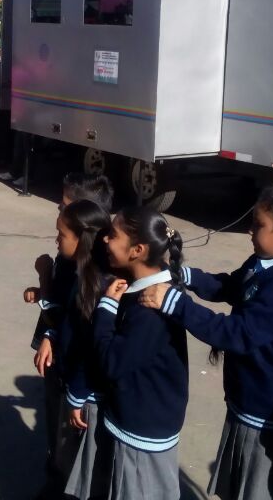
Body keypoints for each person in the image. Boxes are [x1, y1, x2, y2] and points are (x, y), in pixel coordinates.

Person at [142, 181, 273, 499]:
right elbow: (234, 286)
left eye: (258, 224)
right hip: (251, 398)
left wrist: (175, 304)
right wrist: (188, 277)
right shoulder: (271, 259)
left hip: (268, 415)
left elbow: (238, 334)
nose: (250, 230)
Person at [90, 206, 188, 500]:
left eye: (113, 235)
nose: (105, 240)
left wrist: (106, 309)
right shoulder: (150, 289)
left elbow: (111, 362)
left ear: (137, 250)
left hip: (142, 433)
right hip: (143, 421)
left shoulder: (149, 310)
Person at [46, 200, 111, 500]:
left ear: (82, 239)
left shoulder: (98, 285)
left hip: (85, 396)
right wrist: (51, 334)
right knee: (65, 459)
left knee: (81, 471)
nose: (57, 239)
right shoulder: (78, 272)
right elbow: (68, 320)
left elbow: (91, 347)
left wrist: (77, 393)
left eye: (62, 234)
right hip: (71, 381)